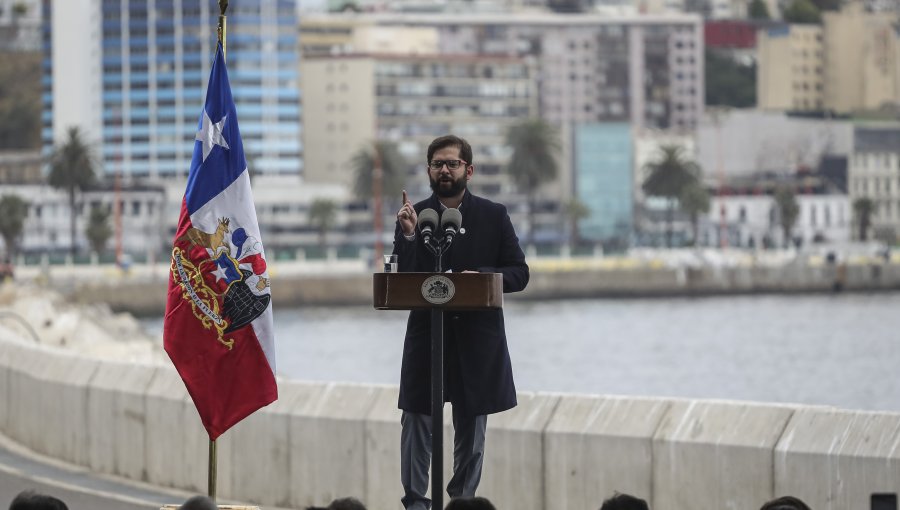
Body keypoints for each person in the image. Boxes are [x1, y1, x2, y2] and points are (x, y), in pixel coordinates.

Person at [393, 134, 529, 510]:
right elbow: (402, 279)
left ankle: (462, 501)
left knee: (472, 428)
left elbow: (519, 273)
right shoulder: (413, 215)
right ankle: (417, 502)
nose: (445, 170)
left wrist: (479, 277)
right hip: (427, 338)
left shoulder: (493, 215)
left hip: (477, 341)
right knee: (416, 419)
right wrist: (407, 236)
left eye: (452, 163)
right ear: (428, 171)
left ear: (468, 170)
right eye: (438, 164)